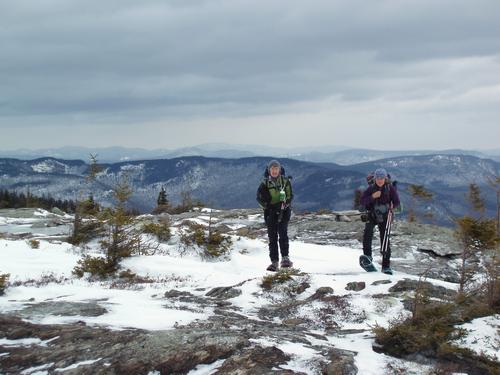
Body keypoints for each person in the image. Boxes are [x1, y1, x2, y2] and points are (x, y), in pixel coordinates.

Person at [360, 168, 400, 274]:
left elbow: (396, 201)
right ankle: (367, 257)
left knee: (385, 239)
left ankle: (386, 266)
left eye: (382, 178)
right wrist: (373, 196)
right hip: (372, 214)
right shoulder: (371, 188)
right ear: (375, 178)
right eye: (378, 178)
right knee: (367, 233)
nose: (380, 180)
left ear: (385, 178)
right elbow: (363, 201)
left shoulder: (390, 188)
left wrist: (391, 207)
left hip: (385, 216)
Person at [256, 160, 293, 271]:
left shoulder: (285, 181)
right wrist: (268, 207)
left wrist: (285, 204)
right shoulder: (265, 183)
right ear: (269, 171)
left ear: (280, 170)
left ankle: (285, 259)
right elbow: (259, 198)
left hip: (284, 211)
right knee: (272, 237)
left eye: (276, 169)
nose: (274, 171)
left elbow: (290, 196)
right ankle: (274, 262)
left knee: (283, 234)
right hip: (270, 213)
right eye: (272, 169)